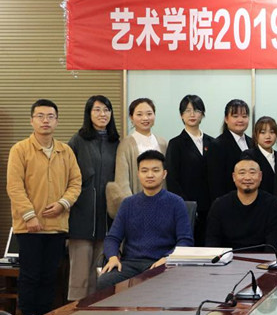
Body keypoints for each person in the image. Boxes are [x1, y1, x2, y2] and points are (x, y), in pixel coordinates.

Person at [7, 99, 81, 315]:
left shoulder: (65, 151)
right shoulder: (20, 149)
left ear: (57, 121)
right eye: (40, 116)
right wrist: (29, 216)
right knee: (30, 275)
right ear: (32, 121)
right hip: (29, 226)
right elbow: (14, 186)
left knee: (50, 275)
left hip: (56, 225)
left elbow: (76, 183)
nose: (45, 120)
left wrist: (62, 204)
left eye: (50, 116)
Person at [98, 150, 193, 291]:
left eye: (155, 170)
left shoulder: (176, 203)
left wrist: (167, 258)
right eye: (144, 171)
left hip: (161, 263)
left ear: (164, 174)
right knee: (105, 281)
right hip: (130, 264)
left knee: (156, 285)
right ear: (138, 174)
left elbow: (185, 240)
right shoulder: (128, 204)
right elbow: (112, 238)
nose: (150, 175)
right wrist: (112, 257)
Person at [67, 95, 120, 301]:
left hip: (108, 217)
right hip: (81, 214)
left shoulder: (117, 142)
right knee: (80, 272)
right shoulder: (77, 141)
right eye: (97, 110)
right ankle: (77, 310)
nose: (102, 114)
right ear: (88, 113)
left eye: (106, 110)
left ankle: (100, 310)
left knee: (104, 272)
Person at [165, 94, 214, 245]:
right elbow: (172, 179)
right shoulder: (175, 144)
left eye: (196, 110)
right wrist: (185, 205)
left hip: (211, 208)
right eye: (187, 110)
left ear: (202, 114)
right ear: (181, 115)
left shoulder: (212, 142)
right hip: (187, 207)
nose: (192, 114)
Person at [106, 98, 168, 217]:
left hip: (162, 204)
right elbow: (122, 182)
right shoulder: (125, 144)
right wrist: (134, 208)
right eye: (139, 114)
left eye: (149, 114)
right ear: (131, 117)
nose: (145, 118)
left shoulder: (162, 143)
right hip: (137, 207)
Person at [205, 158, 277, 252]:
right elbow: (212, 241)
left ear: (260, 176)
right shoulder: (219, 205)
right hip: (227, 258)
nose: (247, 178)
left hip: (262, 259)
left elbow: (272, 244)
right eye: (242, 173)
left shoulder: (273, 204)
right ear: (234, 177)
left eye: (252, 173)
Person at [207, 99, 254, 202]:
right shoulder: (217, 145)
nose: (240, 120)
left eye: (244, 116)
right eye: (235, 116)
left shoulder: (253, 143)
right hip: (229, 203)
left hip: (252, 201)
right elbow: (215, 183)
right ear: (226, 119)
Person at [242, 116, 277, 195]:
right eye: (263, 132)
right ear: (256, 135)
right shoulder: (249, 156)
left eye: (272, 132)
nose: (268, 136)